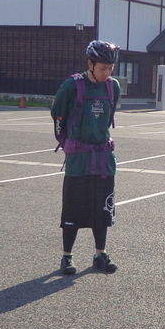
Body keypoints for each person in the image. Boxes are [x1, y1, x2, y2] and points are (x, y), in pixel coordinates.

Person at [52, 41, 122, 275]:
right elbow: (58, 116)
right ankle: (67, 256)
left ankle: (100, 254)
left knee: (103, 209)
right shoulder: (72, 86)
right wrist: (67, 143)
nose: (107, 73)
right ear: (90, 64)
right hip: (79, 160)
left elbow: (108, 118)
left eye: (110, 68)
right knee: (73, 208)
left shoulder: (112, 87)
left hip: (103, 160)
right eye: (103, 68)